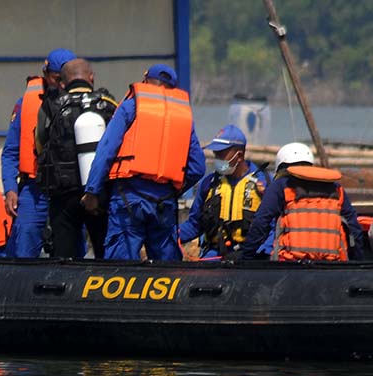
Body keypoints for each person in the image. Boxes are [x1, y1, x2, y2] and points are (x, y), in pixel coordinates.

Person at [81, 64, 205, 261]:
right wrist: (173, 189)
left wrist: (92, 191)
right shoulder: (183, 116)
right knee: (167, 270)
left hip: (128, 197)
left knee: (120, 267)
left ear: (146, 81)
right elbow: (198, 167)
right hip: (164, 202)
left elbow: (106, 150)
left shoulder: (131, 106)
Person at [35, 57, 117, 258]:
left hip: (64, 195)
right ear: (91, 77)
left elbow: (39, 144)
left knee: (64, 255)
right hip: (100, 193)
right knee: (105, 251)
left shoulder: (50, 106)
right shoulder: (107, 103)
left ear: (62, 83)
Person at [0, 47, 76, 257]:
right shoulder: (26, 104)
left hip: (71, 189)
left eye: (65, 79)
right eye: (56, 78)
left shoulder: (84, 104)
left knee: (73, 249)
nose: (61, 85)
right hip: (35, 188)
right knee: (25, 238)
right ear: (45, 75)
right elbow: (10, 153)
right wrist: (10, 189)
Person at [238, 142, 364, 261]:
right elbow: (354, 228)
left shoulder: (280, 186)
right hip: (332, 263)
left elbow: (261, 222)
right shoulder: (336, 188)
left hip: (291, 264)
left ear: (281, 166)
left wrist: (246, 257)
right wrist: (357, 261)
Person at [179, 124, 272, 259]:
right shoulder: (208, 184)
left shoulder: (264, 183)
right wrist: (170, 235)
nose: (216, 158)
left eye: (221, 154)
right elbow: (194, 224)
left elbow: (273, 225)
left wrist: (264, 252)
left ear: (239, 156)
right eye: (215, 154)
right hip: (214, 255)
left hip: (251, 255)